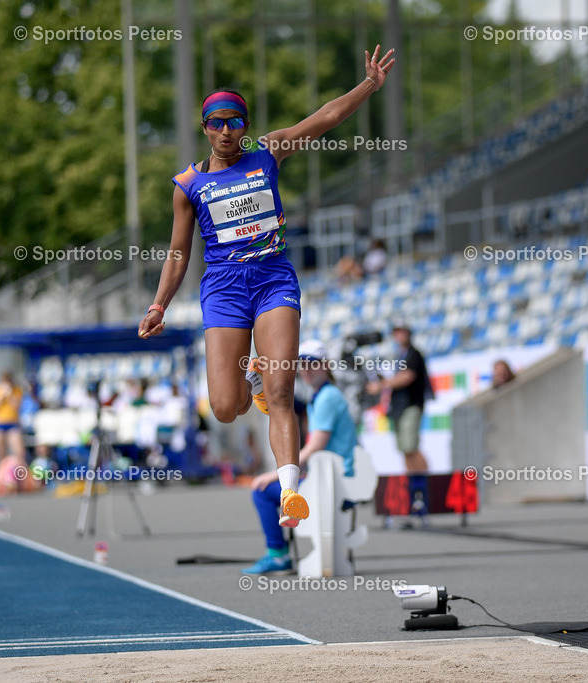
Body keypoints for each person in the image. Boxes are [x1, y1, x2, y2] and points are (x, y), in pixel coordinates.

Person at [138, 45, 395, 530]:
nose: (227, 129)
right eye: (217, 121)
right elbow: (178, 252)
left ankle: (291, 493)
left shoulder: (267, 152)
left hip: (274, 279)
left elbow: (325, 118)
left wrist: (370, 85)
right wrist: (159, 304)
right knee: (225, 407)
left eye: (235, 120)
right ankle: (249, 378)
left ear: (245, 125)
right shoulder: (188, 185)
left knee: (283, 392)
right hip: (223, 289)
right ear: (205, 128)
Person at [243, 339, 357, 575]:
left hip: (335, 482)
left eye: (311, 363)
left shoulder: (327, 397)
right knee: (269, 488)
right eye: (301, 364)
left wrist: (275, 475)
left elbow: (316, 446)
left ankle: (278, 555)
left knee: (262, 491)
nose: (305, 369)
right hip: (331, 477)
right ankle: (279, 553)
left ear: (325, 365)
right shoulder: (323, 395)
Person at [366, 320, 431, 529]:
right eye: (396, 332)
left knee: (410, 446)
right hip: (400, 407)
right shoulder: (401, 355)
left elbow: (408, 376)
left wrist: (382, 384)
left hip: (410, 405)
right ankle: (416, 490)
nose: (399, 335)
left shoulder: (413, 353)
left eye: (402, 331)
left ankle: (422, 488)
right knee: (406, 449)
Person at [0, 371, 25, 464]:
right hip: (0, 423)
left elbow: (17, 407)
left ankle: (21, 472)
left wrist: (10, 395)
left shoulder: (17, 390)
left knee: (19, 451)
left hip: (13, 423)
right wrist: (2, 397)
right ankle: (3, 475)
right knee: (1, 453)